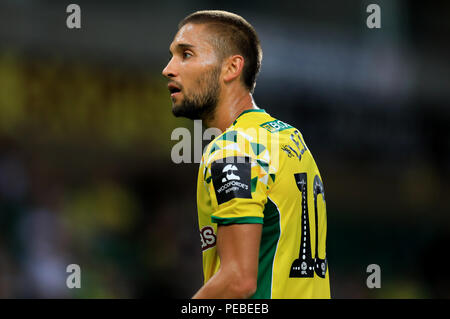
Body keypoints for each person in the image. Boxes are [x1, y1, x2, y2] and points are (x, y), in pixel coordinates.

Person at [162, 10, 330, 299]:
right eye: (172, 55)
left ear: (231, 68)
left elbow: (238, 280)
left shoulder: (233, 148)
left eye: (186, 55)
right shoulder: (290, 138)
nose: (168, 68)